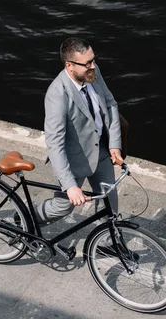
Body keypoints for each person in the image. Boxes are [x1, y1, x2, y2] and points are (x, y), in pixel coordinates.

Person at [36, 37, 124, 224]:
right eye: (87, 63)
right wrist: (70, 186)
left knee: (109, 198)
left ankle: (107, 242)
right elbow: (54, 144)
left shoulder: (92, 71)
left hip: (99, 151)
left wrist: (114, 144)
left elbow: (110, 104)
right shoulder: (57, 95)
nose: (93, 66)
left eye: (93, 59)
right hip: (74, 159)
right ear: (69, 65)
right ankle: (25, 218)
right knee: (63, 206)